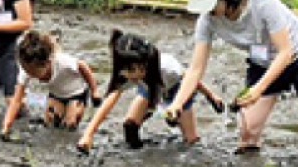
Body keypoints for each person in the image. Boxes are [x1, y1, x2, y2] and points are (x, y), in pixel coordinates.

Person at [170, 0, 298, 158]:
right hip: (263, 62)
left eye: (213, 4)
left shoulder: (262, 1)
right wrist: (178, 104)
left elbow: (286, 51)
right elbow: (196, 69)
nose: (209, 11)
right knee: (248, 131)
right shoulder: (207, 21)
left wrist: (258, 89)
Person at [78, 30, 223, 152]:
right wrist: (88, 135)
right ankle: (138, 156)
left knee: (191, 141)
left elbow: (191, 78)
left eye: (140, 69)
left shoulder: (167, 68)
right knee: (130, 126)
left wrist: (211, 96)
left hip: (178, 91)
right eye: (130, 71)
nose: (134, 75)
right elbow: (108, 103)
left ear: (146, 64)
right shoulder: (126, 74)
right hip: (148, 90)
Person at [0, 30, 100, 139]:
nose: (30, 75)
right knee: (51, 125)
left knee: (69, 125)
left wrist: (94, 91)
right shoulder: (27, 71)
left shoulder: (62, 61)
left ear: (47, 63)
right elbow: (16, 100)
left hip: (76, 93)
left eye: (34, 72)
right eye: (26, 70)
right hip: (56, 94)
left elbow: (83, 66)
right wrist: (6, 126)